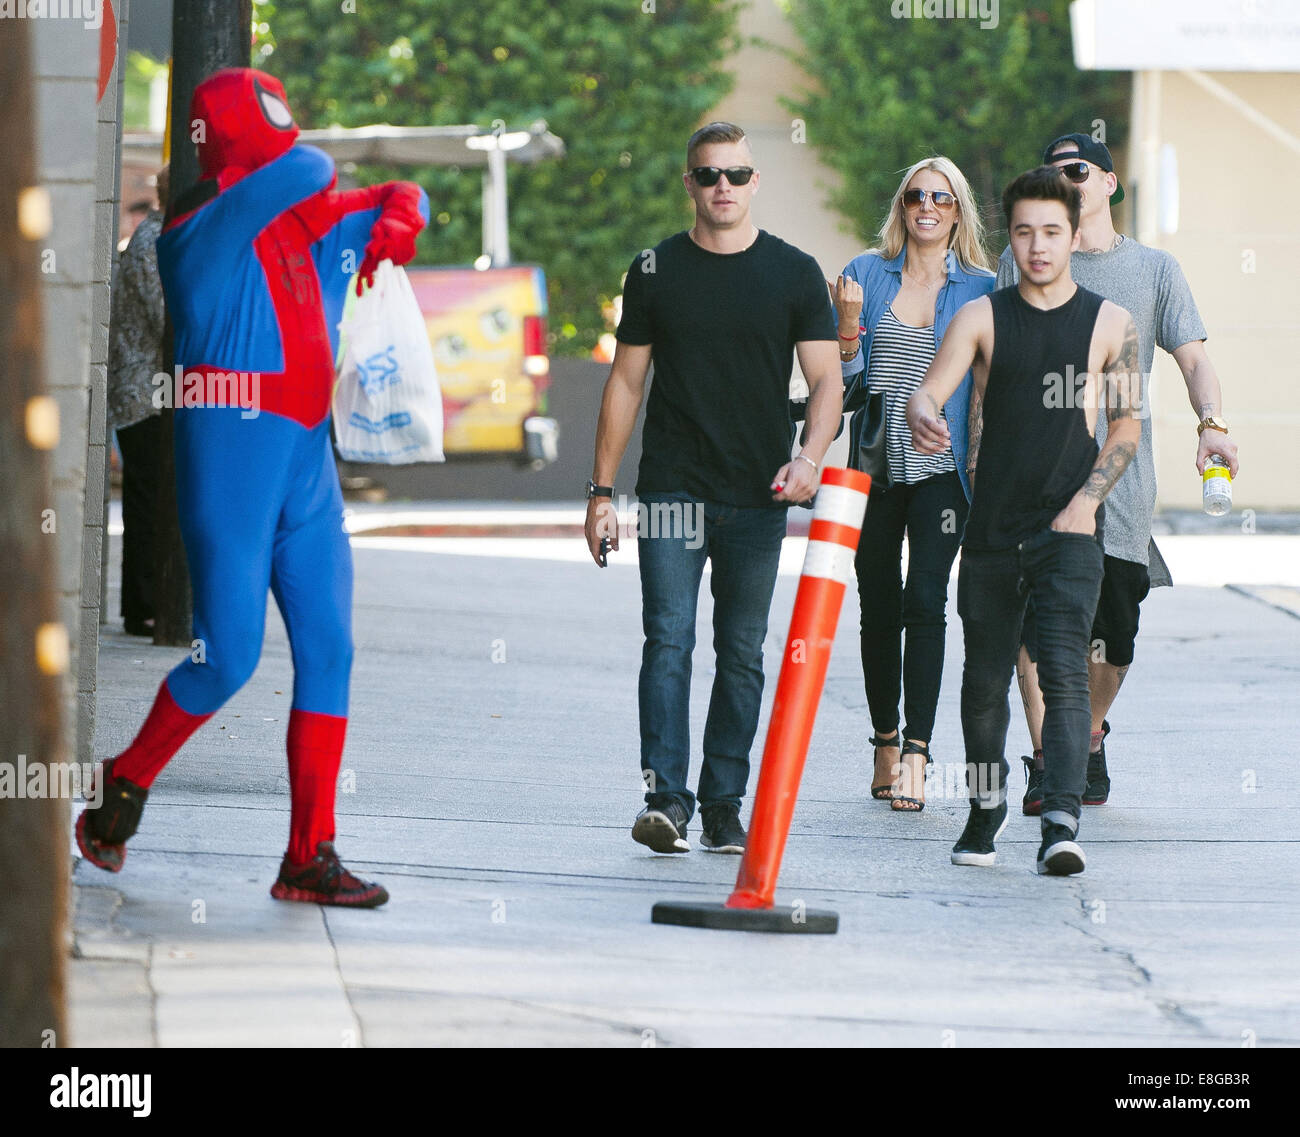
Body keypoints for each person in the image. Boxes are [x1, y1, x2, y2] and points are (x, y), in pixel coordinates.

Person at [76, 68, 429, 907]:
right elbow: (312, 170)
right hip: (231, 448)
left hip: (304, 453)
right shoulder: (194, 232)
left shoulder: (294, 224)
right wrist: (365, 207)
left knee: (330, 649)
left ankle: (309, 854)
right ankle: (123, 784)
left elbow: (393, 191)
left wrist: (399, 214)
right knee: (226, 657)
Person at [584, 121, 841, 855]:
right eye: (708, 175)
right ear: (689, 183)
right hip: (671, 489)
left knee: (742, 652)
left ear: (754, 182)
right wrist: (601, 491)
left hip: (760, 494)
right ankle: (667, 798)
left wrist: (810, 456)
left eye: (735, 174)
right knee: (667, 640)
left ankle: (725, 803)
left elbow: (827, 377)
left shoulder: (792, 272)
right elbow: (626, 380)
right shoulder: (655, 269)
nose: (721, 186)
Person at [907, 166, 1142, 875]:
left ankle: (1061, 821)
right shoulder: (981, 316)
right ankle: (986, 806)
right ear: (1009, 238)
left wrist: (1086, 503)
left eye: (1052, 232)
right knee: (983, 683)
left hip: (1071, 528)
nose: (1038, 247)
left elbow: (1126, 426)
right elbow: (932, 391)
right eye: (1025, 233)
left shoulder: (1110, 323)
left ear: (1073, 234)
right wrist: (922, 415)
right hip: (991, 530)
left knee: (1067, 674)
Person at [1000, 134, 1240, 813]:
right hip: (1035, 478)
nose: (1063, 181)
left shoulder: (1155, 270)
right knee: (1035, 627)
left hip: (1123, 482)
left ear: (1108, 182)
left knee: (1115, 634)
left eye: (1075, 170)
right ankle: (1052, 757)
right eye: (1050, 172)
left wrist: (1211, 423)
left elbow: (1193, 360)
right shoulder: (1020, 258)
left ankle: (1091, 731)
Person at [833, 157, 995, 813]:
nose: (927, 205)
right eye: (915, 195)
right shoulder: (866, 274)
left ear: (958, 211)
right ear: (901, 206)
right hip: (873, 462)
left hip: (943, 469)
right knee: (878, 597)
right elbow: (847, 386)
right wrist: (847, 328)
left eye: (941, 197)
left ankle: (918, 754)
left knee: (924, 595)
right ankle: (883, 736)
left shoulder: (983, 286)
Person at [108, 165, 168, 638]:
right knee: (148, 500)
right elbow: (164, 316)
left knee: (152, 498)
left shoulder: (158, 237)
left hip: (151, 392)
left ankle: (147, 604)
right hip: (142, 393)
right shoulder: (153, 241)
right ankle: (143, 608)